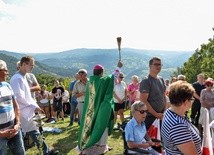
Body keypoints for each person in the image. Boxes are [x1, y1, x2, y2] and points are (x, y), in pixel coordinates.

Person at [10, 56, 58, 155]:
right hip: (22, 111)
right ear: (24, 64)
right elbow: (19, 97)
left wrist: (35, 106)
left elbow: (27, 96)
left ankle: (45, 151)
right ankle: (45, 151)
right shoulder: (17, 78)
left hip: (27, 110)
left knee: (33, 131)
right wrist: (33, 106)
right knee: (29, 132)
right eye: (31, 65)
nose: (33, 67)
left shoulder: (22, 77)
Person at [78, 61, 122, 154]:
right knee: (101, 127)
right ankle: (98, 149)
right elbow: (113, 77)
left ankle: (89, 145)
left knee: (91, 126)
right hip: (101, 109)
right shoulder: (102, 81)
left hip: (90, 109)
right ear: (101, 72)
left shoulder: (90, 81)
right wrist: (119, 67)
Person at [161, 81, 202, 155]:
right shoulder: (178, 125)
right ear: (185, 102)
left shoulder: (170, 112)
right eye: (192, 98)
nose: (193, 101)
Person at [0, 60, 25, 155]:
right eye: (5, 70)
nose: (7, 73)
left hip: (14, 130)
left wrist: (17, 123)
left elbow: (16, 106)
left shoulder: (7, 86)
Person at [139, 57, 166, 129]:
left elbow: (163, 95)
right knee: (151, 139)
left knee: (160, 139)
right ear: (150, 66)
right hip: (150, 117)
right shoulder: (146, 81)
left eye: (160, 64)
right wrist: (156, 114)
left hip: (161, 116)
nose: (159, 66)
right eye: (156, 64)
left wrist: (164, 111)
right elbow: (143, 101)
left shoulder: (161, 79)